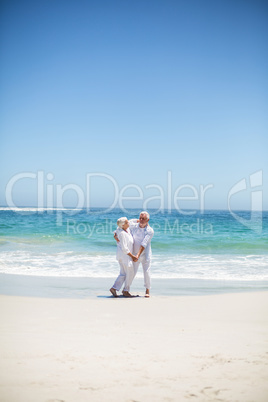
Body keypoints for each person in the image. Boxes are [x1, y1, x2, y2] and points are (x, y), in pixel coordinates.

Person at [114, 211, 154, 298]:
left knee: (147, 272)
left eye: (143, 219)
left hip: (145, 254)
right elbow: (121, 226)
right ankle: (126, 290)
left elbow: (144, 243)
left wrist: (138, 255)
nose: (141, 220)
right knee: (132, 273)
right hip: (134, 255)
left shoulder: (150, 231)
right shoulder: (134, 225)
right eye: (140, 218)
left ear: (148, 220)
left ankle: (147, 290)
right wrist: (116, 234)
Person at [110, 217, 138, 298]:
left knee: (123, 273)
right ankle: (126, 290)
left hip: (122, 256)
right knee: (130, 272)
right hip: (124, 256)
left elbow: (131, 221)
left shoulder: (125, 229)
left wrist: (138, 220)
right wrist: (133, 256)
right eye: (126, 222)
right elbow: (124, 248)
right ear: (123, 225)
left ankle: (114, 288)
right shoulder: (122, 233)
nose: (128, 223)